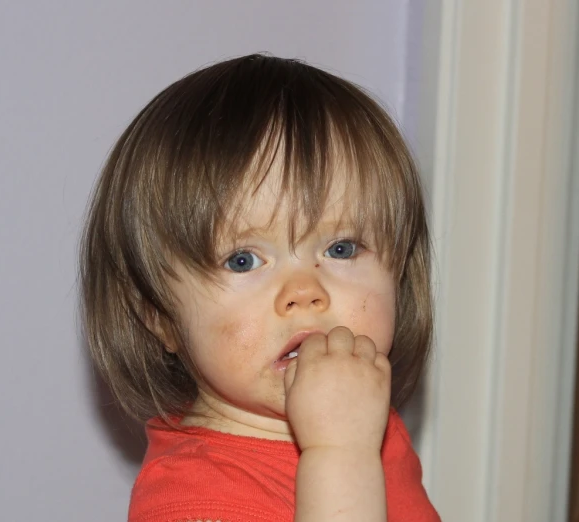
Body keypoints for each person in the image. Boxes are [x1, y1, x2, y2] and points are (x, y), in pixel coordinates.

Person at [80, 53, 440, 522]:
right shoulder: (192, 505)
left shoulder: (363, 418)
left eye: (342, 249)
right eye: (243, 259)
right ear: (160, 316)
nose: (305, 291)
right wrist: (340, 453)